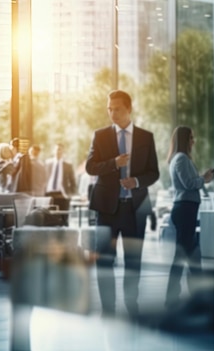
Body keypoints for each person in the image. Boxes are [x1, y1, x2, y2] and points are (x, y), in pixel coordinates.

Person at [85, 90, 159, 318]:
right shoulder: (100, 136)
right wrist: (114, 163)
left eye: (117, 108)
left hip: (135, 209)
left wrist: (136, 181)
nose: (112, 113)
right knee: (105, 261)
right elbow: (90, 167)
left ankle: (131, 303)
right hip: (106, 209)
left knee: (133, 260)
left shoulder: (146, 137)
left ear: (129, 108)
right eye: (109, 108)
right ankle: (108, 308)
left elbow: (153, 172)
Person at [165, 126, 214, 308]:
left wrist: (203, 178)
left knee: (192, 254)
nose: (193, 141)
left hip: (186, 209)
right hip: (185, 209)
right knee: (185, 255)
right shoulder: (181, 159)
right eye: (191, 138)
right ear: (185, 139)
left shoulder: (179, 159)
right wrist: (204, 178)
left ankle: (194, 294)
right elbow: (188, 183)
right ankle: (177, 295)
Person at [45, 144, 77, 225]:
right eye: (56, 149)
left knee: (63, 220)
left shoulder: (68, 165)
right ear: (53, 151)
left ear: (63, 152)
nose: (58, 151)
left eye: (60, 149)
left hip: (62, 195)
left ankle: (64, 236)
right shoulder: (47, 164)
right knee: (49, 220)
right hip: (48, 194)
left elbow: (73, 182)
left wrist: (70, 195)